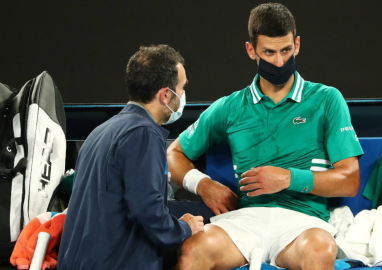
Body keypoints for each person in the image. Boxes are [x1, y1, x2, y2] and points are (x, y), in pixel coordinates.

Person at [167, 3, 364, 270]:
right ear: (251, 50)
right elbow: (174, 154)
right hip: (246, 220)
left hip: (303, 223)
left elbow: (350, 179)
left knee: (320, 251)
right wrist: (203, 185)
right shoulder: (230, 107)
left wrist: (287, 178)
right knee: (193, 250)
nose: (280, 62)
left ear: (297, 44)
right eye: (269, 53)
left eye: (286, 50)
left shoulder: (327, 99)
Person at [58, 45, 204, 270]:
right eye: (182, 89)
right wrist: (185, 228)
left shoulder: (100, 132)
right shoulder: (144, 134)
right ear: (165, 95)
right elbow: (148, 211)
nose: (183, 95)